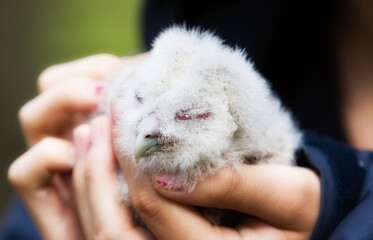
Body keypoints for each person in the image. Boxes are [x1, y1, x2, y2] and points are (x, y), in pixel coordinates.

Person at [2, 1, 373, 239]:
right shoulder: (90, 148)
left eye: (190, 116)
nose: (146, 128)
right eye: (140, 100)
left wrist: (351, 214)